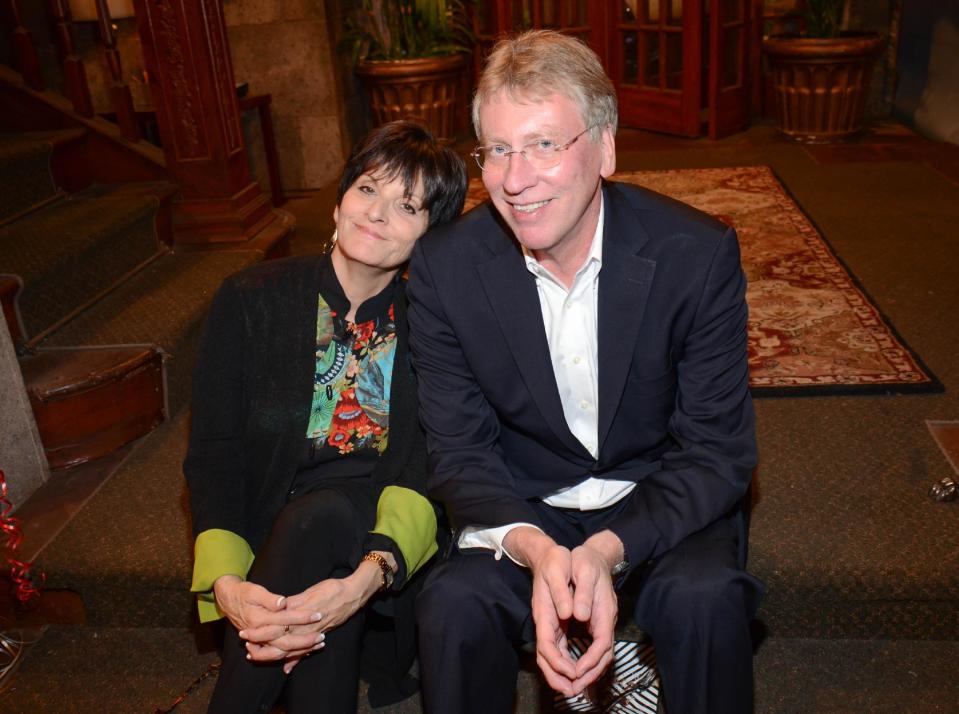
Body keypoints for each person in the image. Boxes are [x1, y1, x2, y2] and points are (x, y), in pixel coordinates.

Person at [407, 30, 764, 714]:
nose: (514, 180)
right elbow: (458, 450)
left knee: (703, 599)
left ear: (603, 147)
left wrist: (608, 548)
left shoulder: (696, 254)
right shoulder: (445, 268)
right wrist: (537, 550)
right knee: (452, 607)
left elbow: (716, 452)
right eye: (499, 150)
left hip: (655, 493)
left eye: (544, 145)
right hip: (525, 501)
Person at [183, 120, 467, 713]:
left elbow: (425, 463)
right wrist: (229, 582)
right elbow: (215, 448)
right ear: (339, 200)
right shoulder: (250, 298)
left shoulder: (435, 323)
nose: (378, 213)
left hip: (377, 517)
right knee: (307, 534)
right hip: (276, 523)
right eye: (367, 189)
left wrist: (367, 576)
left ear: (430, 233)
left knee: (317, 519)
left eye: (407, 205)